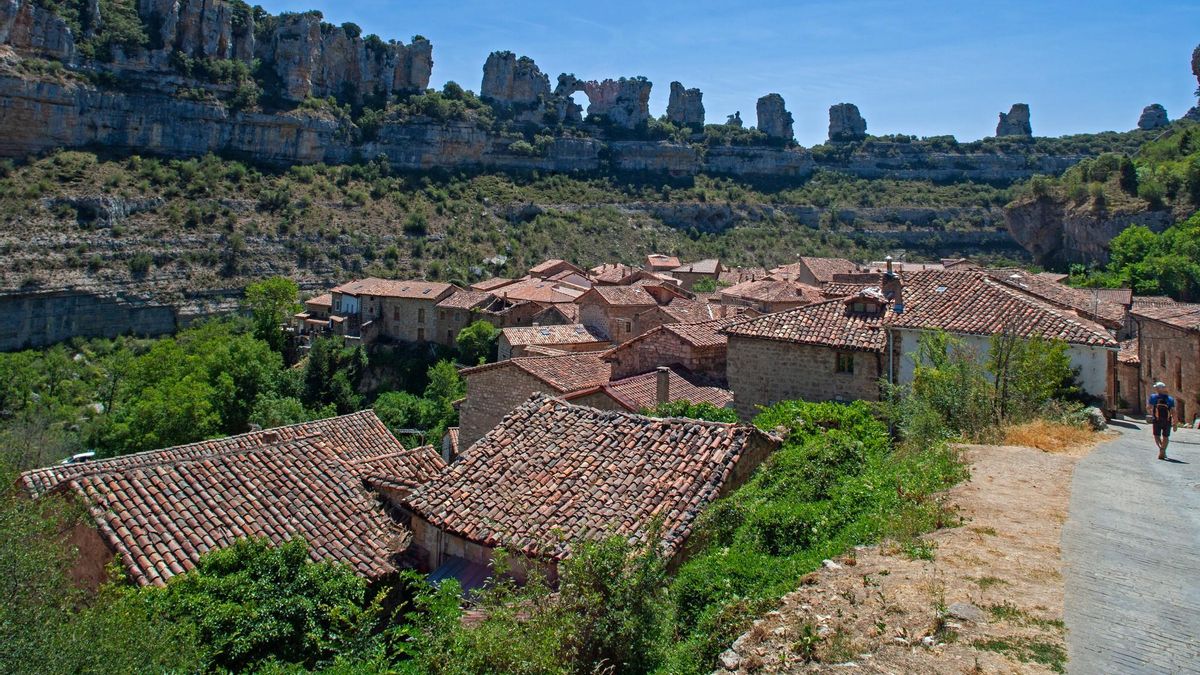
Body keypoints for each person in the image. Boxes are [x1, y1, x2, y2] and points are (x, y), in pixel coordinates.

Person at [1146, 382, 1177, 460]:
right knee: (1166, 437)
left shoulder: (1153, 397)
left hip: (1156, 420)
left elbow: (1148, 407)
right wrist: (1175, 423)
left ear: (1159, 389)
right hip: (1167, 420)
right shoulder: (1170, 399)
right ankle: (1163, 450)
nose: (1155, 388)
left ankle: (1161, 449)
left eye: (1156, 387)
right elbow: (1173, 411)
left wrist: (1151, 412)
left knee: (1157, 435)